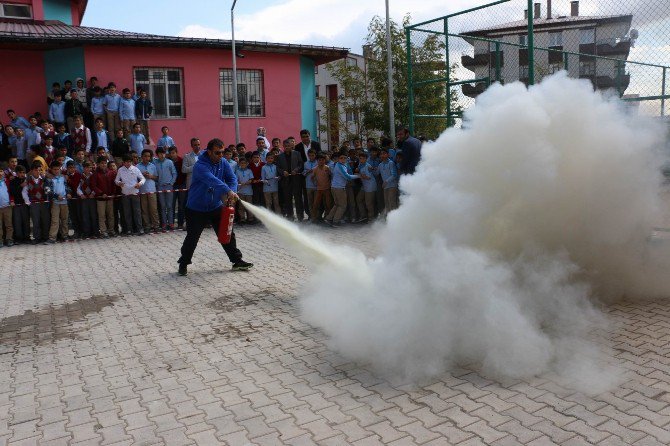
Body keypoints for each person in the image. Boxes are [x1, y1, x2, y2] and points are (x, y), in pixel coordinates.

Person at [177, 138, 253, 276]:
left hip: (215, 206)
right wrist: (228, 191)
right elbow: (212, 180)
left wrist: (232, 190)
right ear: (209, 152)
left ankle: (237, 261)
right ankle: (183, 263)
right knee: (192, 238)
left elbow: (232, 179)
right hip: (196, 208)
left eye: (222, 152)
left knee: (228, 232)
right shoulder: (200, 166)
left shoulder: (223, 162)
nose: (221, 155)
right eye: (217, 153)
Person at [325, 152, 359, 227]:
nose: (343, 159)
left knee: (337, 204)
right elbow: (348, 177)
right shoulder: (340, 166)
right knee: (342, 206)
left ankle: (329, 218)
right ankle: (335, 221)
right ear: (338, 159)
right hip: (339, 188)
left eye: (344, 158)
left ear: (347, 158)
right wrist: (358, 176)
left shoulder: (340, 165)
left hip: (335, 187)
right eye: (341, 158)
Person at [115, 153, 145, 236]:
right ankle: (129, 229)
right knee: (127, 212)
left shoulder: (135, 169)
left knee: (137, 212)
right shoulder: (120, 170)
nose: (128, 163)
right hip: (125, 194)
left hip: (135, 193)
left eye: (129, 162)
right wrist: (119, 183)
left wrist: (139, 184)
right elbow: (116, 180)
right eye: (126, 162)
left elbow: (143, 178)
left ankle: (139, 229)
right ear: (123, 162)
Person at [276, 139, 304, 221]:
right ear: (283, 147)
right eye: (285, 146)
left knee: (298, 199)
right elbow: (277, 167)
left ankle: (300, 216)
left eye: (289, 146)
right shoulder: (280, 156)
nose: (287, 147)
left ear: (291, 146)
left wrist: (296, 170)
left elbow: (301, 164)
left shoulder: (297, 154)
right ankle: (290, 216)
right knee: (288, 200)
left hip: (296, 180)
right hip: (286, 181)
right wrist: (282, 172)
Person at [23, 161, 50, 244]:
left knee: (45, 220)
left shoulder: (44, 179)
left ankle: (45, 237)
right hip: (34, 203)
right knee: (36, 221)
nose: (38, 172)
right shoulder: (28, 180)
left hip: (44, 203)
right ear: (32, 171)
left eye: (40, 170)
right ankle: (37, 237)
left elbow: (48, 190)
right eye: (36, 170)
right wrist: (28, 202)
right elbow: (24, 192)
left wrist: (47, 194)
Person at [90, 156, 117, 238]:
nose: (103, 165)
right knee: (102, 216)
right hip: (100, 199)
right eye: (102, 163)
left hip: (109, 197)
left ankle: (111, 230)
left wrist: (113, 193)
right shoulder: (95, 174)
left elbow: (114, 184)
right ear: (98, 164)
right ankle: (103, 231)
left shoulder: (110, 173)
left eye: (105, 163)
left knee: (111, 215)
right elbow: (93, 186)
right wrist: (101, 193)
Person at [45, 161, 69, 243]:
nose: (56, 171)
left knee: (64, 219)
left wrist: (69, 193)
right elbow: (47, 191)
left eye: (58, 169)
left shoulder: (63, 177)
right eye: (54, 169)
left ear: (60, 169)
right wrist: (56, 196)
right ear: (51, 169)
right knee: (55, 221)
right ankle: (52, 237)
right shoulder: (48, 179)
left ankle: (65, 235)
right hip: (55, 202)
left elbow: (67, 187)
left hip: (64, 202)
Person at [154, 147, 177, 231]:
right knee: (162, 206)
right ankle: (164, 224)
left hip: (168, 186)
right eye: (160, 153)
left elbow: (174, 173)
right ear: (157, 154)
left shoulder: (169, 162)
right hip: (159, 186)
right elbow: (154, 174)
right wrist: (157, 184)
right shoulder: (154, 162)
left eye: (163, 153)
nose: (162, 155)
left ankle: (171, 223)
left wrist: (171, 183)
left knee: (170, 206)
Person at [137, 149, 159, 233]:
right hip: (142, 191)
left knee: (153, 209)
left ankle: (156, 225)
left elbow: (156, 177)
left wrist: (150, 176)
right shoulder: (137, 167)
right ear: (142, 157)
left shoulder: (152, 166)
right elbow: (135, 179)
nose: (147, 158)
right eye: (145, 156)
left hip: (152, 190)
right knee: (144, 210)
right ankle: (147, 226)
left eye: (148, 156)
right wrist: (142, 176)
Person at [77, 161, 98, 238]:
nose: (88, 169)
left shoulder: (94, 176)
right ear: (83, 168)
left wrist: (93, 193)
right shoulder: (80, 177)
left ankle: (95, 232)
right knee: (85, 216)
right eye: (86, 167)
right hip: (84, 198)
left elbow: (96, 186)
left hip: (92, 198)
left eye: (89, 167)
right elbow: (78, 188)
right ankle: (86, 232)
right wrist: (81, 194)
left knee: (93, 215)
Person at [310, 153, 333, 223]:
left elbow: (331, 176)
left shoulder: (327, 168)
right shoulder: (315, 169)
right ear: (317, 161)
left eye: (323, 160)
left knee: (328, 204)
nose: (321, 161)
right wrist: (315, 183)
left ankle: (328, 218)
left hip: (327, 189)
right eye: (319, 160)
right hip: (319, 189)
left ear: (325, 160)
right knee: (315, 204)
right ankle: (313, 218)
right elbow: (312, 177)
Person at [9, 165, 29, 244]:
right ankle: (18, 238)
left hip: (25, 204)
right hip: (16, 204)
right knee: (17, 222)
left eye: (23, 172)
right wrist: (20, 186)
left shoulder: (27, 180)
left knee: (26, 221)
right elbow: (13, 192)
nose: (22, 174)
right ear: (16, 173)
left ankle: (27, 237)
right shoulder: (13, 181)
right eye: (20, 172)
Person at [168, 146, 187, 229]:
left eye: (173, 153)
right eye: (170, 153)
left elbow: (185, 173)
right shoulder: (168, 162)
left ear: (176, 152)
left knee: (181, 205)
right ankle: (171, 224)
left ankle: (180, 223)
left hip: (181, 185)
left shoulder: (181, 161)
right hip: (172, 186)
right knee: (171, 205)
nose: (172, 155)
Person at [356, 152, 377, 223]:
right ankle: (363, 215)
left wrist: (358, 175)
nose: (361, 160)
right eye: (360, 158)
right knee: (358, 199)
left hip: (370, 186)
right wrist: (358, 171)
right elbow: (358, 170)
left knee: (369, 203)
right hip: (364, 186)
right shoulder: (360, 164)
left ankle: (371, 218)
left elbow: (368, 177)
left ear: (366, 159)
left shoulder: (368, 166)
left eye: (362, 158)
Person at [235, 157, 255, 224]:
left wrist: (248, 182)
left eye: (244, 163)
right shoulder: (237, 171)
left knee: (249, 205)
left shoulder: (249, 171)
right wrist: (239, 182)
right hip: (240, 191)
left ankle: (250, 219)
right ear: (239, 164)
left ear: (247, 164)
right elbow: (236, 180)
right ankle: (242, 219)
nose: (243, 164)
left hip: (249, 191)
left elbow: (251, 179)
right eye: (241, 163)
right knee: (241, 206)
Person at [379, 148, 399, 215]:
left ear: (388, 154)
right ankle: (389, 220)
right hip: (385, 187)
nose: (382, 155)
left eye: (384, 153)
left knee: (392, 202)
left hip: (392, 186)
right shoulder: (380, 165)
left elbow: (394, 175)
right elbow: (376, 173)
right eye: (381, 154)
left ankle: (395, 219)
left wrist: (386, 181)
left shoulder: (391, 163)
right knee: (387, 203)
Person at [0, 168, 13, 247]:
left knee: (8, 224)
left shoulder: (7, 181)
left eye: (1, 171)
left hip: (7, 206)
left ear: (3, 172)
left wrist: (11, 200)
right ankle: (0, 240)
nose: (0, 173)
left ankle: (9, 239)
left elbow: (11, 192)